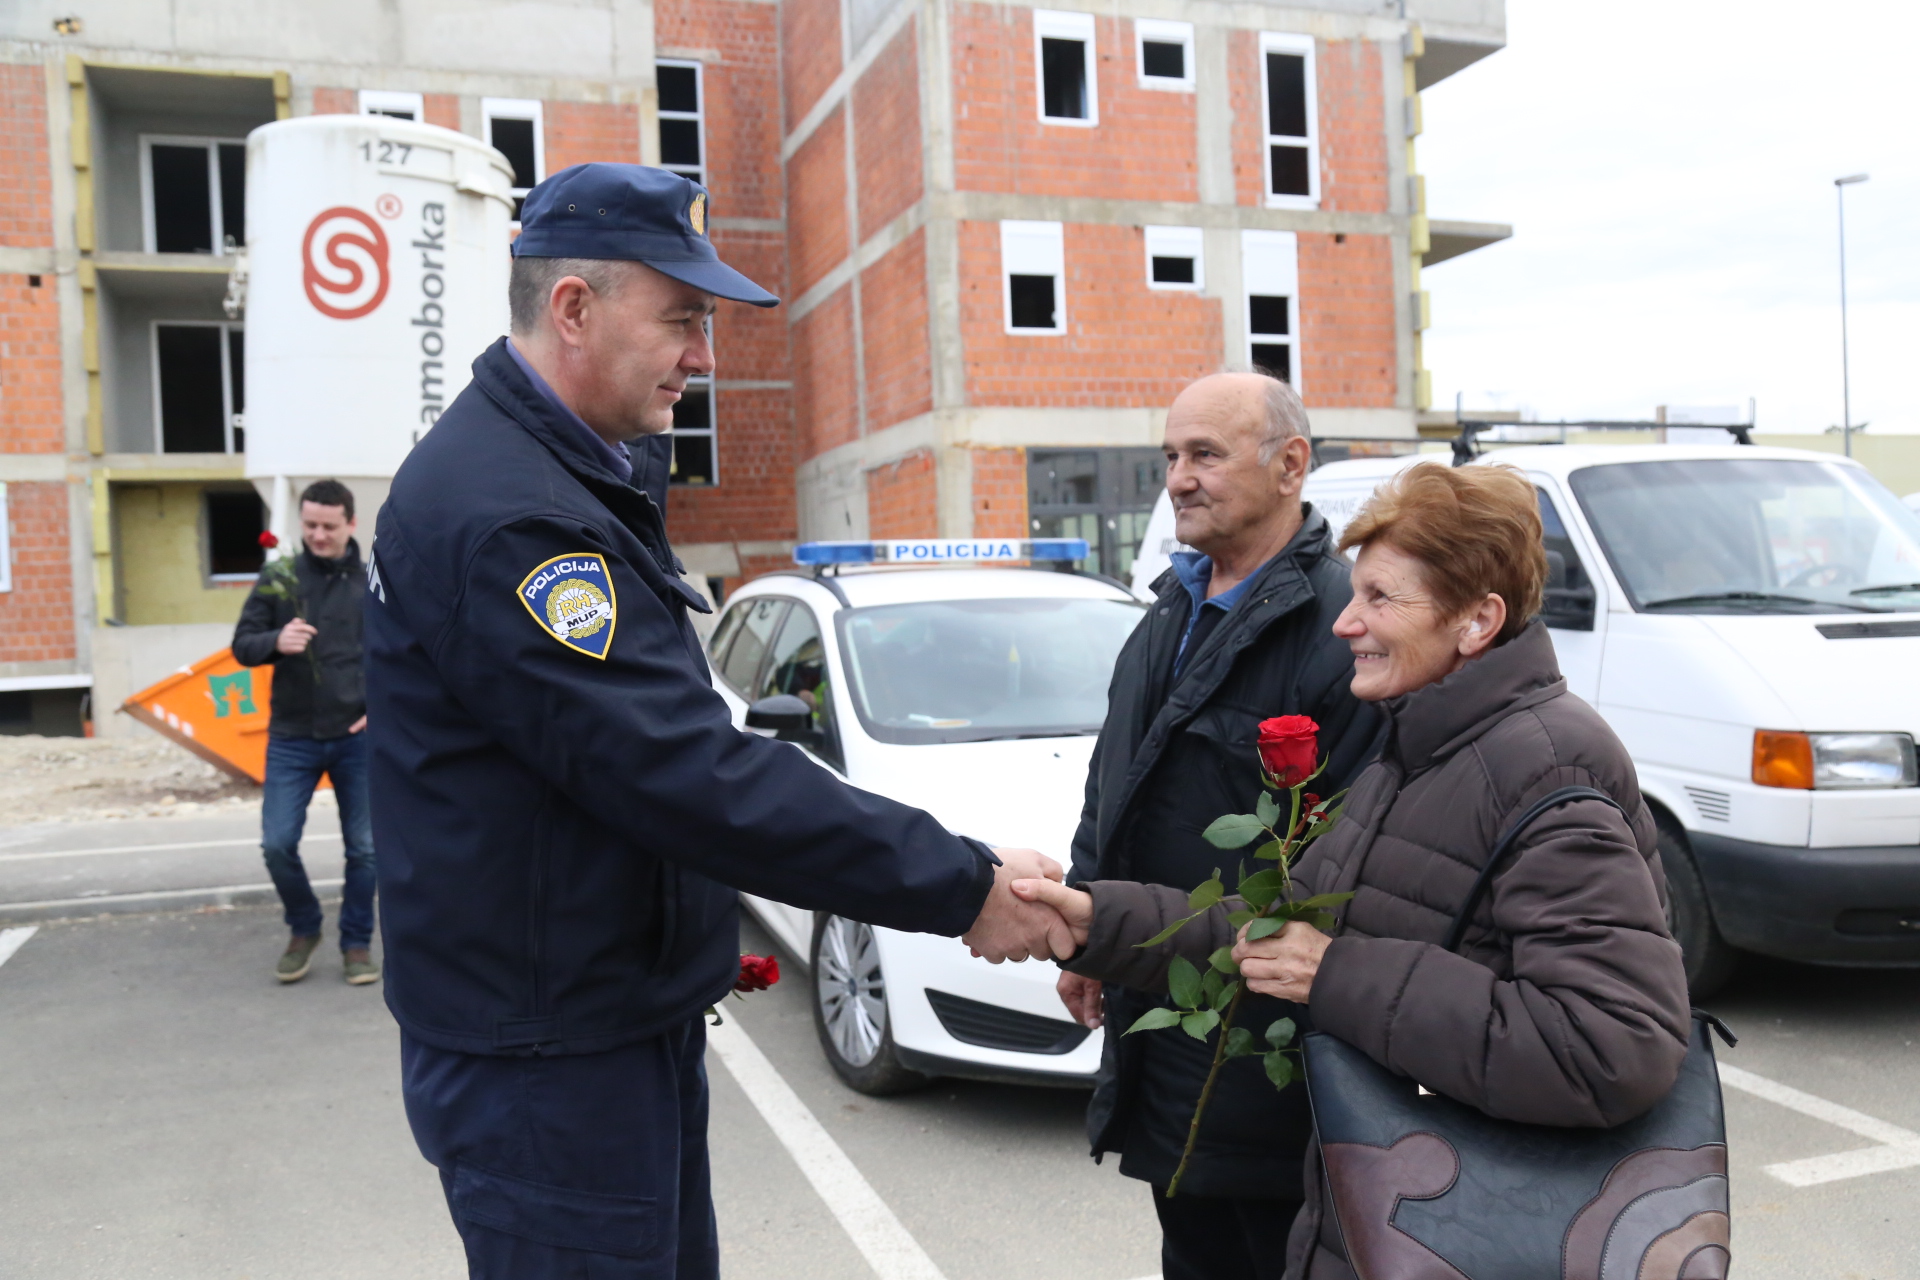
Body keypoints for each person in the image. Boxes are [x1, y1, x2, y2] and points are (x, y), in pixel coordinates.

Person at [361, 164, 1072, 1280]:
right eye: (684, 318)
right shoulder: (515, 518)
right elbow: (682, 771)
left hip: (590, 1024)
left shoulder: (557, 473)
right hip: (553, 1060)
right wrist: (963, 881)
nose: (705, 353)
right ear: (576, 309)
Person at [1019, 462, 1693, 1280]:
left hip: (1476, 1230)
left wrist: (1339, 973)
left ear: (1477, 622)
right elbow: (1282, 932)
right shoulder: (1418, 748)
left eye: (1380, 598)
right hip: (1395, 1217)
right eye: (1355, 594)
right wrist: (1093, 921)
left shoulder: (1546, 766)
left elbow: (1613, 1047)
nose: (1346, 623)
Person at [1058, 372, 1383, 1280]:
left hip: (1258, 1046)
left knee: (1263, 1252)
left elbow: (1343, 863)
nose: (1178, 479)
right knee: (1192, 1246)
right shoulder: (1172, 606)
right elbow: (1111, 789)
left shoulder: (1338, 628)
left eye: (1204, 454)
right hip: (1165, 1014)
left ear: (1290, 465)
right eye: (1170, 456)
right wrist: (1091, 932)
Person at [232, 479, 377, 985]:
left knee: (366, 849)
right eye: (310, 525)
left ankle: (357, 943)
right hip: (292, 735)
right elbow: (242, 646)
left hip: (358, 735)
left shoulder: (373, 581)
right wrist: (277, 639)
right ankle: (305, 926)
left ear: (351, 525)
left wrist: (380, 708)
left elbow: (404, 657)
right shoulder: (280, 577)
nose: (318, 535)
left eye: (328, 526)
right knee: (276, 844)